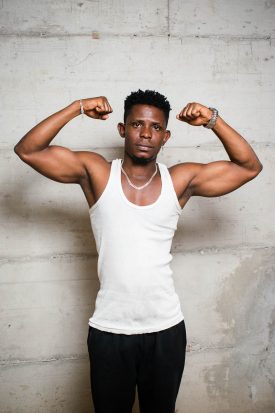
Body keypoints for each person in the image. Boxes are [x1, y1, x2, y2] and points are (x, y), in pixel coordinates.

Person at [14, 89, 262, 413]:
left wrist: (213, 120)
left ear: (165, 136)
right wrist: (77, 107)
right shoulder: (99, 173)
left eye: (155, 127)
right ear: (122, 129)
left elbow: (248, 167)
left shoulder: (179, 181)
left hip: (166, 330)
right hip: (110, 330)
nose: (146, 134)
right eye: (137, 125)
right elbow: (28, 150)